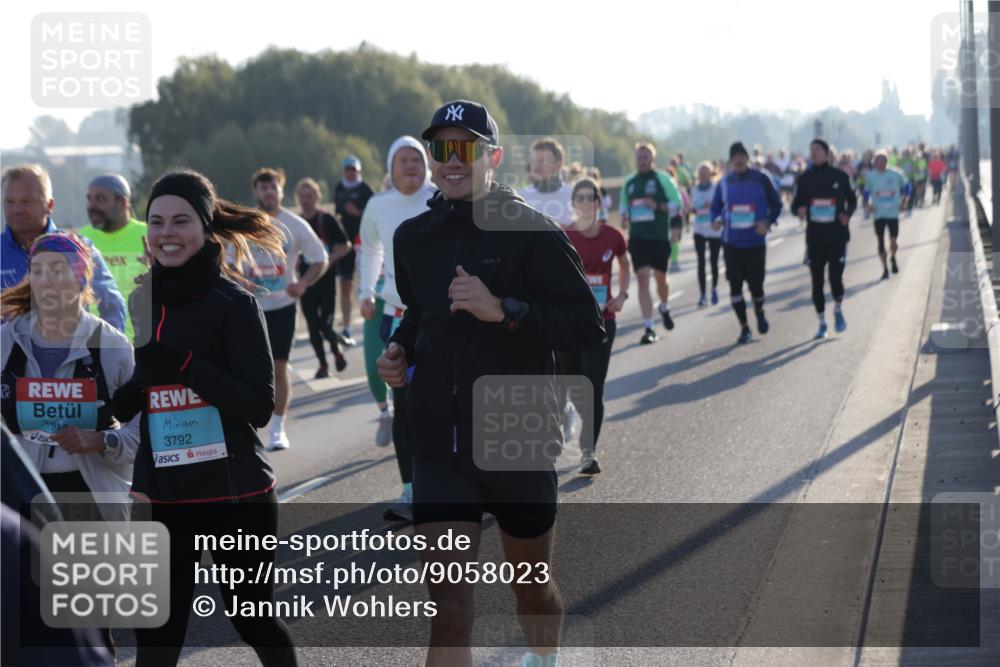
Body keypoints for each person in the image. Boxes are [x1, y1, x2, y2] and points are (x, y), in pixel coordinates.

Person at [379, 99, 605, 667]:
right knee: (449, 612)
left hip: (518, 434)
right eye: (441, 148)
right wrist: (400, 349)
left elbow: (586, 324)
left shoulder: (532, 231)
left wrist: (504, 310)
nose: (452, 159)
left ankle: (545, 658)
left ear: (494, 158)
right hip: (439, 442)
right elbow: (419, 313)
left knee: (531, 589)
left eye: (466, 148)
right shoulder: (413, 237)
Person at [111, 169, 297, 667]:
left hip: (233, 494)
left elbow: (258, 405)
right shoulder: (142, 298)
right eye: (156, 222)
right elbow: (150, 380)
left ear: (206, 227)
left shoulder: (236, 303)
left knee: (253, 619)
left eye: (181, 221)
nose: (166, 233)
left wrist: (187, 366)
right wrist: (107, 409)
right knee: (156, 638)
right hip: (162, 494)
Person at [0, 231, 139, 656]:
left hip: (87, 496)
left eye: (58, 270)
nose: (46, 281)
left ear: (82, 278)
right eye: (38, 271)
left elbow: (145, 430)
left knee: (90, 625)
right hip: (21, 494)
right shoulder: (5, 340)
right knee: (23, 622)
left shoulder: (112, 346)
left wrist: (102, 439)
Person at [358, 135, 436, 521]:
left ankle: (463, 485)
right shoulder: (378, 205)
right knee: (403, 404)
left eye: (416, 158)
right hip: (396, 316)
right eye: (402, 160)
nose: (410, 165)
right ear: (391, 168)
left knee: (444, 402)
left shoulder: (441, 198)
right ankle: (411, 490)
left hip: (439, 318)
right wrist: (365, 291)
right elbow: (369, 248)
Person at [244, 168, 328, 451]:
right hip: (251, 308)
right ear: (256, 192)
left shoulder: (294, 224)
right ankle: (251, 426)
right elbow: (228, 261)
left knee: (279, 365)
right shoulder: (245, 223)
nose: (269, 192)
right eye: (263, 188)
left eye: (273, 187)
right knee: (253, 369)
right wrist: (238, 285)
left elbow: (320, 258)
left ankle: (277, 429)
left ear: (281, 191)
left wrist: (302, 283)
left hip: (283, 305)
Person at [1, 164, 126, 332]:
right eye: (10, 201)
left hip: (70, 347)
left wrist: (105, 345)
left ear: (49, 205)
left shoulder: (78, 250)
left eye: (26, 201)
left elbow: (111, 304)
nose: (17, 209)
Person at [559, 178, 629, 475]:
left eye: (592, 198)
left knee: (593, 387)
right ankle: (577, 415)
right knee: (573, 384)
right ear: (574, 204)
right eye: (581, 198)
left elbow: (624, 264)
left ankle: (588, 452)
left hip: (602, 321)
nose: (587, 203)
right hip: (570, 324)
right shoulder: (564, 236)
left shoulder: (613, 236)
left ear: (599, 204)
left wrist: (622, 295)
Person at [710, 142, 782, 344]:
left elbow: (776, 205)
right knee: (735, 287)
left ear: (747, 158)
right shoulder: (724, 183)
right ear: (730, 161)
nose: (739, 160)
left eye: (742, 156)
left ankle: (759, 310)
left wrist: (767, 222)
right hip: (731, 244)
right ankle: (744, 327)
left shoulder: (761, 179)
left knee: (756, 287)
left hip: (755, 243)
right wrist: (716, 220)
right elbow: (715, 208)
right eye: (735, 157)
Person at [792, 139, 858, 339]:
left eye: (817, 149)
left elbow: (852, 200)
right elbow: (795, 204)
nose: (813, 153)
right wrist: (799, 210)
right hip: (815, 237)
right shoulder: (804, 179)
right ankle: (822, 323)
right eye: (811, 149)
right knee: (817, 282)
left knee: (835, 278)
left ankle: (837, 308)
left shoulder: (840, 176)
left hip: (837, 235)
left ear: (827, 153)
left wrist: (848, 214)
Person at [619, 142, 683, 345]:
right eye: (639, 157)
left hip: (659, 237)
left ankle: (664, 305)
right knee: (643, 278)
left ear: (653, 159)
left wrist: (657, 206)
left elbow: (678, 205)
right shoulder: (629, 182)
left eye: (646, 157)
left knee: (661, 280)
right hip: (638, 238)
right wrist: (624, 217)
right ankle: (649, 326)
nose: (642, 161)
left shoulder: (663, 179)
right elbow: (623, 206)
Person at [77, 174, 148, 340]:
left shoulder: (148, 235)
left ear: (123, 202)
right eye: (89, 199)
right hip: (92, 343)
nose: (91, 206)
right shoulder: (82, 239)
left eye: (100, 199)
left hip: (139, 343)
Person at [293, 178, 351, 378]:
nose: (306, 200)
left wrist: (327, 259)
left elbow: (345, 245)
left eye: (310, 196)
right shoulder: (296, 223)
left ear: (317, 197)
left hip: (326, 281)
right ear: (297, 198)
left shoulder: (326, 220)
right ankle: (323, 365)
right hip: (305, 282)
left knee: (325, 325)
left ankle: (336, 351)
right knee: (312, 326)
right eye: (302, 196)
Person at [333, 156, 375, 347]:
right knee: (345, 285)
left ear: (359, 170)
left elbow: (374, 214)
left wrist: (358, 213)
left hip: (364, 243)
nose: (351, 172)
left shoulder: (365, 189)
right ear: (344, 171)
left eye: (354, 169)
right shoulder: (339, 188)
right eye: (348, 169)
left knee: (366, 283)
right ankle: (347, 327)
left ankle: (369, 321)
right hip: (345, 243)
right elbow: (337, 213)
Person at [864, 151, 910, 279]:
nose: (875, 164)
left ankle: (893, 257)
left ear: (885, 161)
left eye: (878, 161)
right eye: (875, 161)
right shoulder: (870, 176)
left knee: (893, 241)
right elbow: (866, 192)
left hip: (893, 213)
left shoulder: (896, 173)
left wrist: (904, 201)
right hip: (878, 214)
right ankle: (884, 268)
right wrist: (868, 204)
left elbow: (907, 187)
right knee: (880, 241)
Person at [518, 137, 575, 228]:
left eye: (542, 161)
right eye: (533, 161)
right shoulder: (520, 198)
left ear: (558, 164)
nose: (535, 166)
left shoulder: (575, 197)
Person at [690, 161, 722, 307]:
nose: (702, 175)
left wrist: (713, 207)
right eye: (700, 173)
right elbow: (691, 207)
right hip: (699, 229)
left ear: (710, 173)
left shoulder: (716, 188)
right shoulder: (694, 189)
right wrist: (694, 209)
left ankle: (714, 289)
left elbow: (722, 205)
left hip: (713, 228)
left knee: (714, 261)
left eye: (705, 172)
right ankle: (702, 295)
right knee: (701, 262)